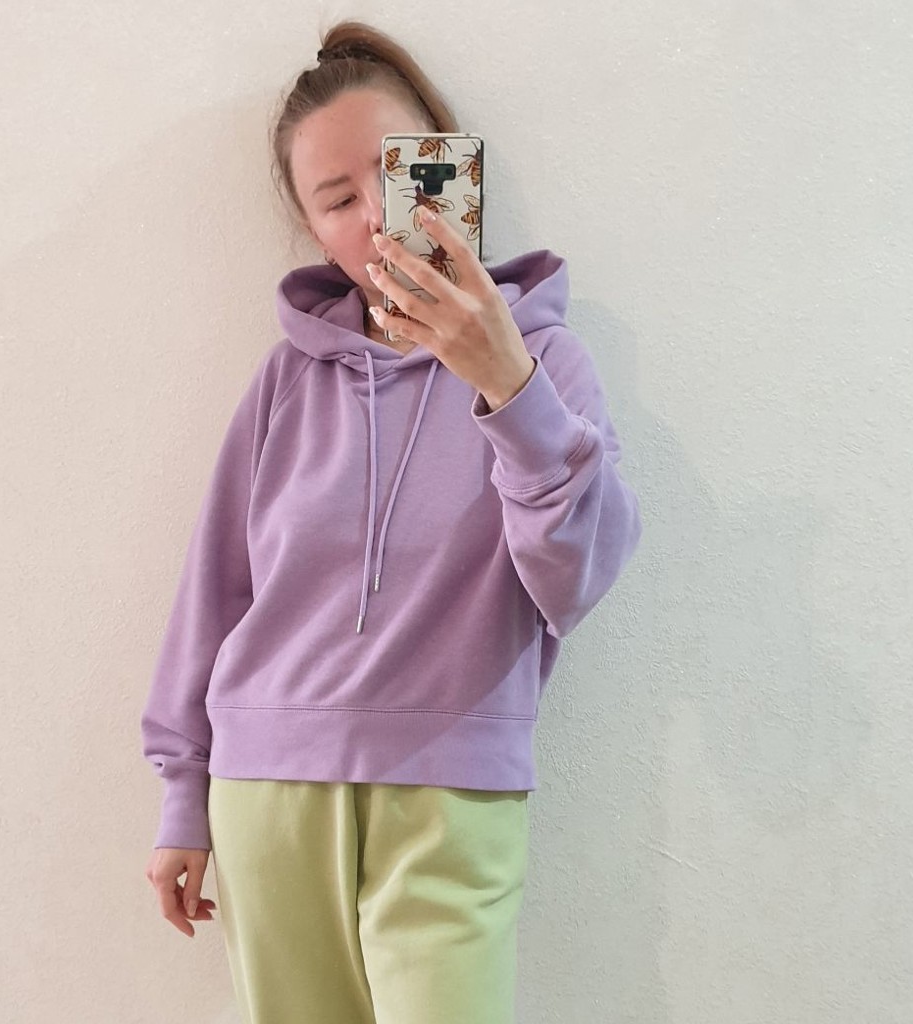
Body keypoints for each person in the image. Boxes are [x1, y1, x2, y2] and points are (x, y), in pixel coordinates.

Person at [141, 19, 642, 1024]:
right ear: (313, 232)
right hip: (267, 783)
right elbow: (217, 587)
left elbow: (575, 579)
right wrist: (182, 791)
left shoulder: (549, 364)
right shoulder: (289, 379)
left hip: (451, 788)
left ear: (452, 163)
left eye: (399, 172)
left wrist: (508, 387)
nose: (378, 218)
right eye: (337, 200)